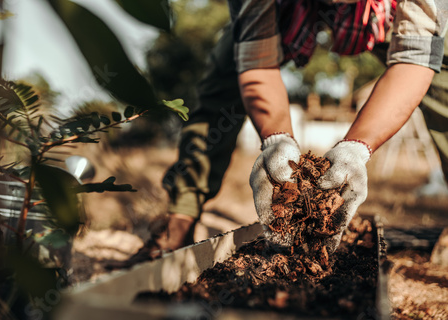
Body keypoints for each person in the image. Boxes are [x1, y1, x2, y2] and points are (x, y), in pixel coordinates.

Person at [128, 0, 448, 262]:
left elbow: (413, 58)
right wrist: (276, 141)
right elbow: (255, 61)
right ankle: (179, 220)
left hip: (385, 13)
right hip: (285, 7)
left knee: (444, 80)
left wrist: (356, 149)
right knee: (224, 77)